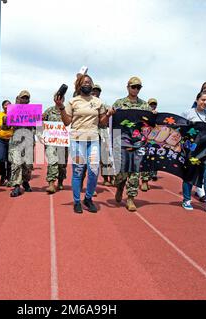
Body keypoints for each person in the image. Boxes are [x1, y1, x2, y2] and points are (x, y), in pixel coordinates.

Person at [55, 74, 112, 214]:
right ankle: (76, 202)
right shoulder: (73, 101)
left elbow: (103, 122)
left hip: (93, 139)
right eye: (84, 82)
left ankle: (88, 198)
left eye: (89, 82)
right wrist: (61, 107)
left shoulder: (98, 102)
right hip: (77, 140)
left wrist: (109, 114)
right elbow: (67, 122)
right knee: (78, 171)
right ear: (79, 85)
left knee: (93, 171)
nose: (87, 84)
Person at [113, 77, 152, 212]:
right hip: (121, 141)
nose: (135, 89)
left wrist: (153, 116)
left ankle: (130, 198)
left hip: (138, 142)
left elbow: (150, 123)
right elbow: (113, 122)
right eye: (133, 87)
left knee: (135, 171)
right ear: (128, 87)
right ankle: (119, 186)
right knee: (121, 173)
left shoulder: (145, 106)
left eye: (138, 87)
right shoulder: (119, 103)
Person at [8, 90, 36, 197]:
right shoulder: (13, 110)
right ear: (19, 98)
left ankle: (25, 181)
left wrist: (41, 120)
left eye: (26, 98)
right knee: (16, 163)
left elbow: (38, 127)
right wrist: (6, 120)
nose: (25, 100)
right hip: (16, 141)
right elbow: (7, 127)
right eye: (23, 98)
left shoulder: (32, 111)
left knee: (28, 165)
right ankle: (16, 185)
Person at [42, 93, 68, 194]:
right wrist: (41, 119)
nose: (59, 99)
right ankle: (51, 183)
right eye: (57, 97)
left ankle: (60, 181)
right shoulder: (49, 111)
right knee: (52, 161)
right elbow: (42, 122)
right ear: (54, 99)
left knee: (62, 164)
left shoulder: (67, 111)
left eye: (61, 97)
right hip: (51, 141)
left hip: (63, 141)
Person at [0, 100, 14, 186]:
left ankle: (8, 177)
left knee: (10, 160)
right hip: (0, 139)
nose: (7, 106)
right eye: (5, 105)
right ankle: (2, 174)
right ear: (2, 106)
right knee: (0, 158)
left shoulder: (14, 115)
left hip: (11, 139)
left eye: (9, 105)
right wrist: (4, 122)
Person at [147, 98, 159, 181]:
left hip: (155, 140)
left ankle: (153, 173)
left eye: (154, 104)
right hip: (145, 139)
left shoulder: (159, 116)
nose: (153, 106)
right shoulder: (144, 114)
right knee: (146, 157)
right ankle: (146, 174)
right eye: (151, 104)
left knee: (154, 156)